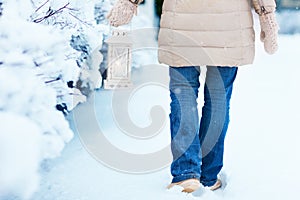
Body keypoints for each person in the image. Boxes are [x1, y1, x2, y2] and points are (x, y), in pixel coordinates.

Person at [107, 0, 278, 193]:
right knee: (218, 101)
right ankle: (208, 176)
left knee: (183, 96)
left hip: (182, 26)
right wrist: (267, 15)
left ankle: (186, 173)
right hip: (229, 28)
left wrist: (129, 3)